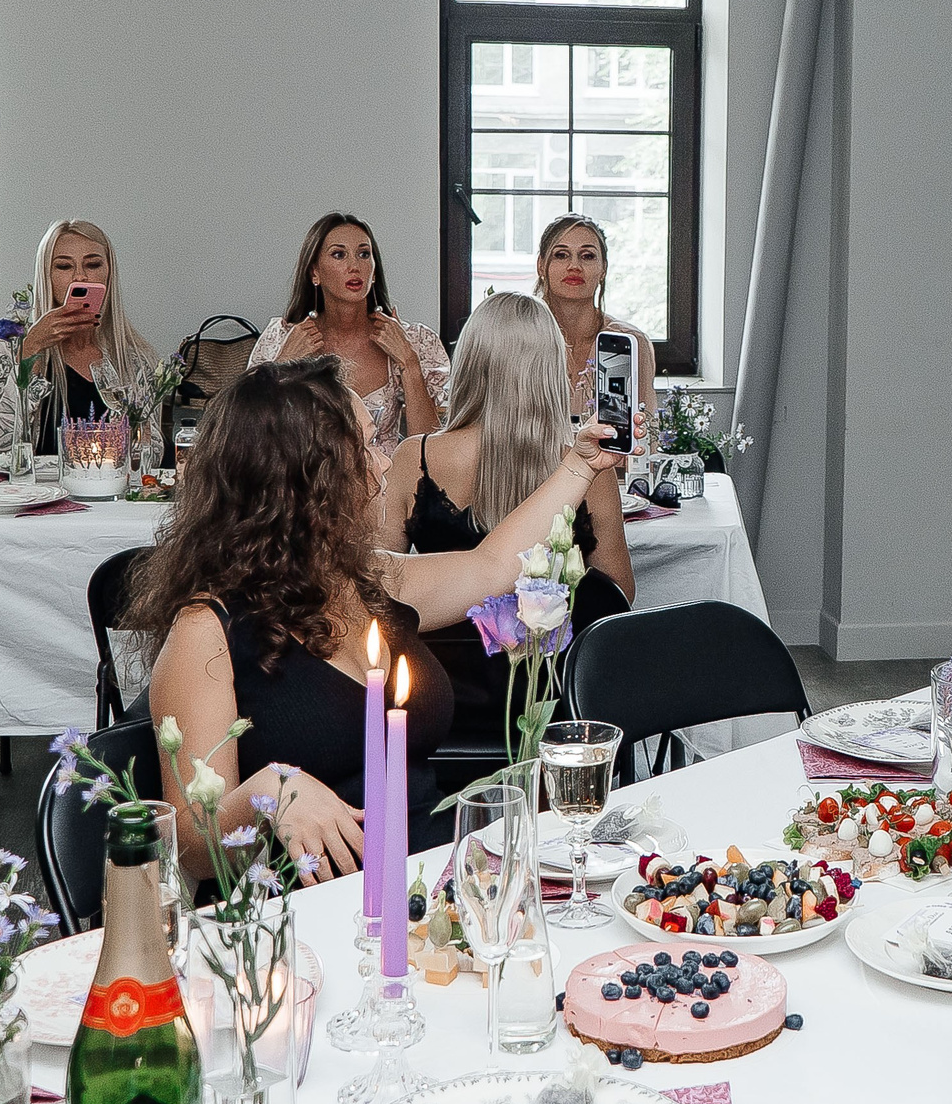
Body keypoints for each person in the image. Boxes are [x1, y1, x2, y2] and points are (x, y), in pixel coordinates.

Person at [130, 356, 625, 872]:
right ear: (306, 479)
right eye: (366, 446)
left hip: (432, 876)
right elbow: (187, 843)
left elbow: (493, 565)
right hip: (306, 910)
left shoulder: (365, 578)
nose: (385, 462)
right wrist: (273, 791)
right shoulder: (204, 631)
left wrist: (582, 464)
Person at [378, 292, 635, 751]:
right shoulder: (584, 470)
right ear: (550, 370)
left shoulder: (412, 459)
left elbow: (382, 592)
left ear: (470, 363)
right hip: (552, 704)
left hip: (434, 701)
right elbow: (616, 595)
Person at [248, 212, 449, 456]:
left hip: (386, 488)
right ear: (315, 273)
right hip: (305, 490)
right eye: (339, 254)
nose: (354, 266)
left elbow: (427, 451)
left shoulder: (414, 340)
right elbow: (248, 436)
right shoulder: (281, 338)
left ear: (374, 272)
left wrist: (408, 362)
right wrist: (281, 367)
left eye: (364, 254)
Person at [19, 217, 158, 454]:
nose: (80, 277)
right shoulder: (14, 347)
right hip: (42, 490)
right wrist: (32, 348)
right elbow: (1, 444)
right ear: (47, 276)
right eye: (64, 266)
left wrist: (137, 435)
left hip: (110, 486)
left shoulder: (134, 358)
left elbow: (151, 452)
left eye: (93, 265)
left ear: (108, 273)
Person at [535, 213, 657, 424]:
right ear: (541, 265)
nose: (574, 266)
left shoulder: (626, 341)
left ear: (603, 269)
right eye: (561, 255)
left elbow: (640, 434)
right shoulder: (518, 337)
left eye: (588, 256)